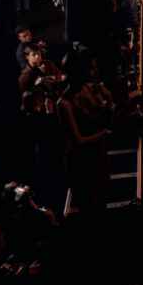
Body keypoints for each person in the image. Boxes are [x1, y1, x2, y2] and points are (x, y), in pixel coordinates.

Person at [56, 47, 113, 215]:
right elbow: (78, 141)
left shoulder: (92, 88)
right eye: (91, 67)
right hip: (82, 163)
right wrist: (104, 134)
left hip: (99, 155)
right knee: (90, 210)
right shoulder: (63, 103)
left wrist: (109, 98)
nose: (96, 71)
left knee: (103, 202)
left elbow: (108, 122)